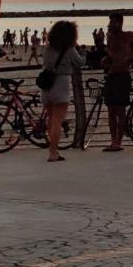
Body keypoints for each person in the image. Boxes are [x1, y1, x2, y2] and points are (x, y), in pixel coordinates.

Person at [41, 20, 83, 162]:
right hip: (61, 83)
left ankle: (52, 149)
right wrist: (81, 51)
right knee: (58, 120)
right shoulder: (69, 50)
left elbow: (45, 63)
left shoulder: (48, 48)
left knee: (51, 118)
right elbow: (80, 62)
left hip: (47, 84)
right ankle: (53, 151)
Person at [102, 12, 133, 152]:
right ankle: (113, 140)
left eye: (113, 22)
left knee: (120, 110)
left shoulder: (130, 36)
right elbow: (110, 54)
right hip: (110, 75)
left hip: (123, 76)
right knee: (110, 110)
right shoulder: (110, 37)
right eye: (110, 22)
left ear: (120, 22)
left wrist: (128, 57)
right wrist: (106, 59)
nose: (111, 24)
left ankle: (119, 142)